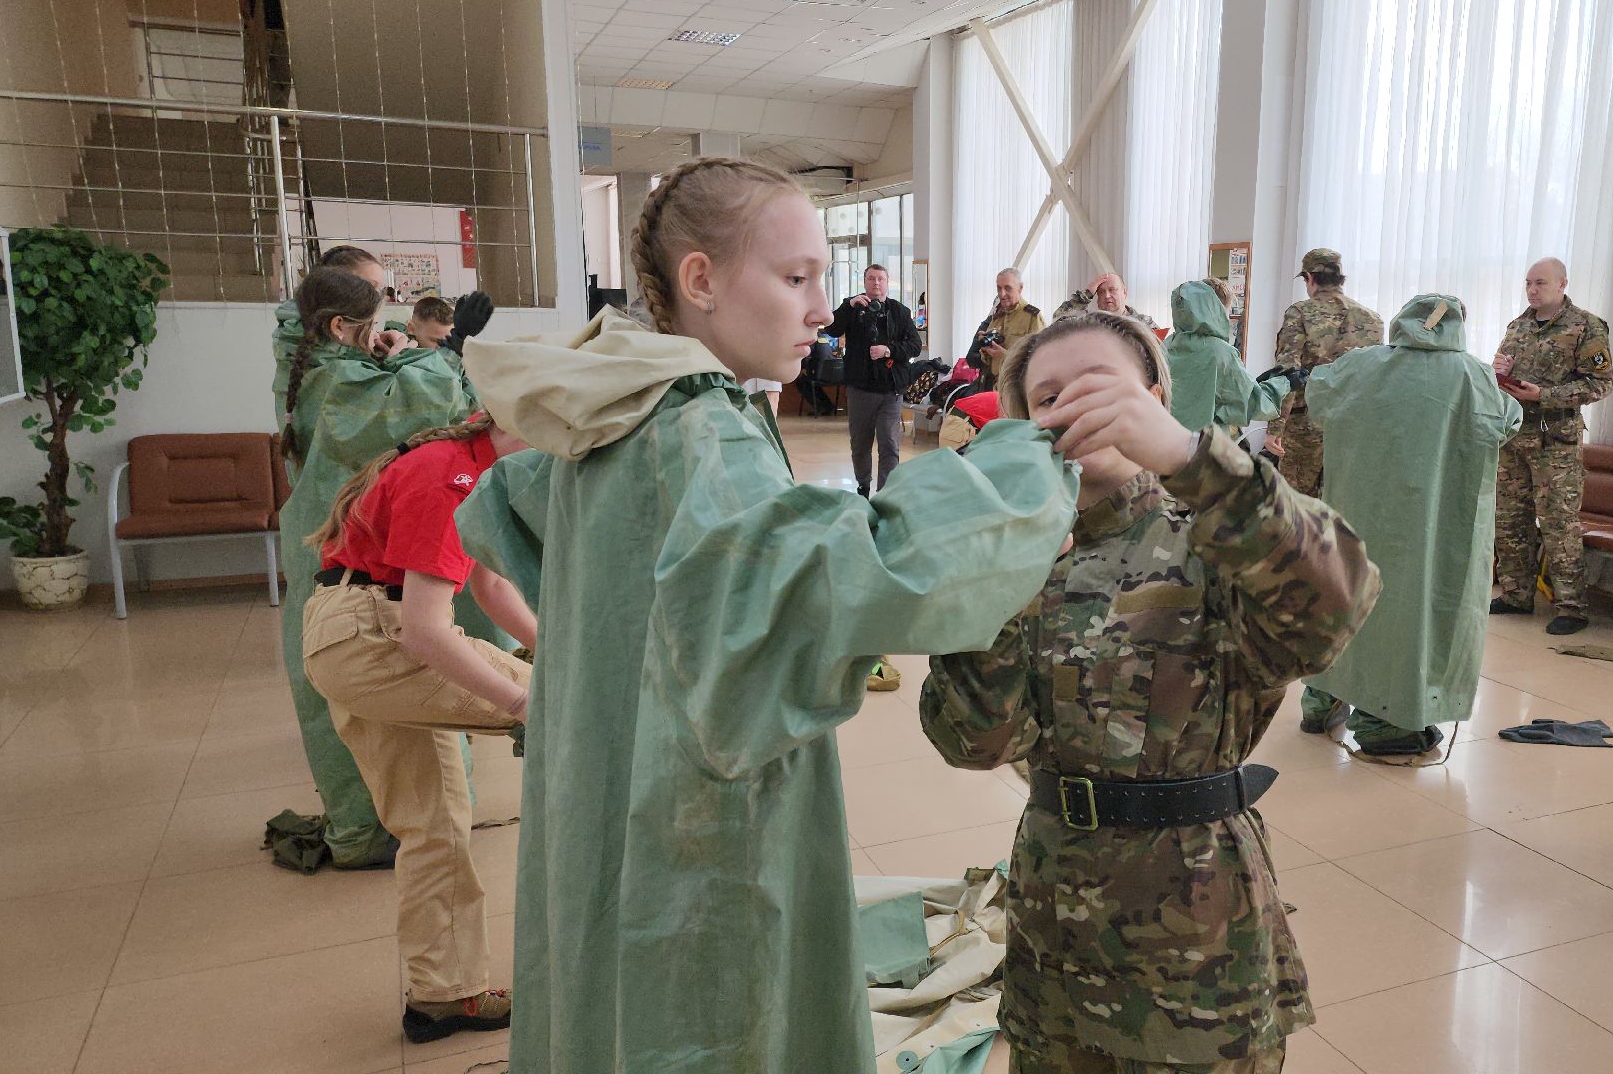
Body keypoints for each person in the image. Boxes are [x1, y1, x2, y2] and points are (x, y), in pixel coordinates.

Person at [452, 156, 1079, 1073]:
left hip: (602, 783)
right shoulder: (698, 430)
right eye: (797, 279)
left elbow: (510, 520)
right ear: (700, 281)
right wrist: (1028, 470)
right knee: (713, 1017)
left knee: (603, 994)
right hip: (694, 821)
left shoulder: (607, 413)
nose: (822, 308)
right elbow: (857, 571)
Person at [921, 310, 1380, 1073]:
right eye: (1047, 398)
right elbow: (976, 741)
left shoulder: (1206, 537)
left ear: (1155, 396)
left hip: (1194, 938)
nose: (1073, 408)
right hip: (1054, 923)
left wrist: (1192, 459)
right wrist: (991, 585)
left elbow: (1337, 598)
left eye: (1100, 386)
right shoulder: (1018, 555)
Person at [301, 412, 536, 1042]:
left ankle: (444, 996)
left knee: (432, 825)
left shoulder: (475, 467)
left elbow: (488, 585)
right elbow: (425, 632)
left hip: (347, 632)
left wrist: (549, 644)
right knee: (569, 708)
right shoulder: (451, 477)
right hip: (377, 639)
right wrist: (523, 704)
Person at [272, 262, 484, 870]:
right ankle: (392, 829)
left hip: (330, 555)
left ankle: (372, 824)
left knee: (348, 703)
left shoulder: (306, 357)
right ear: (340, 325)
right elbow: (430, 404)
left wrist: (389, 350)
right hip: (358, 564)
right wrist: (425, 352)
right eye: (372, 323)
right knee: (409, 685)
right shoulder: (343, 386)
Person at [1293, 295, 1522, 751]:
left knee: (1340, 600)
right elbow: (1508, 420)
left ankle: (1321, 699)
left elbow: (1316, 396)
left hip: (1355, 516)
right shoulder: (1472, 377)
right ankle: (1388, 722)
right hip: (1427, 528)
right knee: (1408, 618)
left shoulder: (1358, 366)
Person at [1489, 257, 1613, 636]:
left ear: (1562, 284)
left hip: (1555, 443)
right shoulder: (1518, 326)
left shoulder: (1586, 327)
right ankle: (1515, 594)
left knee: (1559, 524)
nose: (1532, 290)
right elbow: (1502, 372)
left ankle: (1571, 605)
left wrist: (1546, 394)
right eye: (1528, 283)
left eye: (1540, 283)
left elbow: (1600, 384)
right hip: (1514, 438)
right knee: (1510, 521)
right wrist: (1498, 374)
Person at [1266, 249, 1384, 495]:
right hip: (1351, 425)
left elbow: (1288, 374)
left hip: (1305, 425)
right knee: (1342, 500)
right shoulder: (1373, 319)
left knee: (1297, 506)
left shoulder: (1300, 313)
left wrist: (1275, 428)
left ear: (1309, 278)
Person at [825, 263, 921, 496]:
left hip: (890, 390)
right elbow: (832, 328)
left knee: (889, 443)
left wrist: (888, 350)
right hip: (860, 388)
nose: (876, 283)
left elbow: (915, 346)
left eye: (880, 279)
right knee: (860, 443)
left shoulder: (900, 312)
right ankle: (862, 485)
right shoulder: (854, 307)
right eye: (871, 279)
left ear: (887, 282)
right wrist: (849, 306)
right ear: (865, 282)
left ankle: (886, 492)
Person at [1163, 279, 1268, 432]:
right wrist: (1280, 384)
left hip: (1166, 441)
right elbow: (1253, 405)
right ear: (1216, 310)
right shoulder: (1220, 352)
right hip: (1203, 446)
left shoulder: (1165, 346)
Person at [964, 267, 1047, 387]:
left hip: (1017, 388)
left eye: (1008, 288)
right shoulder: (997, 317)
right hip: (993, 386)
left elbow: (1040, 361)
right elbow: (982, 359)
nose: (1002, 294)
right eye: (999, 288)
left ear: (1020, 288)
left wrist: (1005, 356)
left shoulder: (1032, 317)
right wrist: (985, 347)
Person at [1056, 272, 1157, 329]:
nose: (1107, 296)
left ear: (1125, 292)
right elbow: (1058, 324)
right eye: (1101, 292)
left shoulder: (1144, 323)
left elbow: (1161, 354)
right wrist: (1086, 294)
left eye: (1112, 290)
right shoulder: (1088, 323)